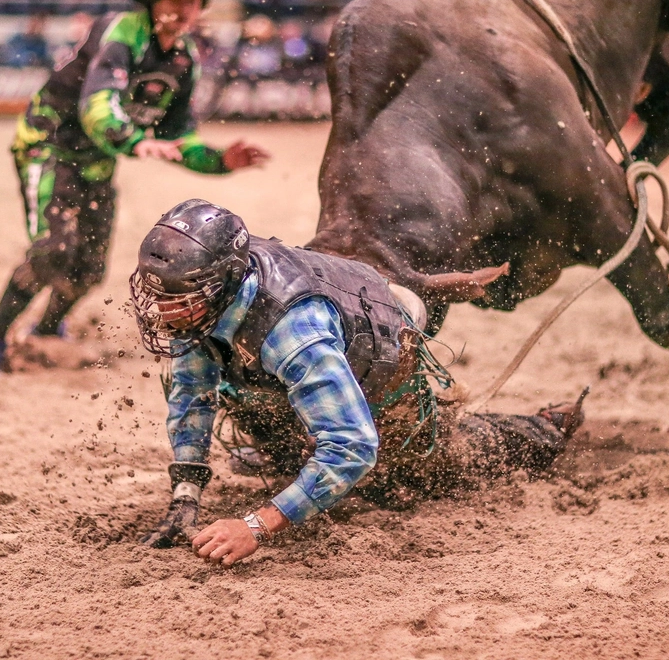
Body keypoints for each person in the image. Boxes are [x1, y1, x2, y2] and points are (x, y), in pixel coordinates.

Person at [131, 199, 588, 567]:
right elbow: (193, 396)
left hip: (383, 355)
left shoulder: (293, 332)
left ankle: (541, 429)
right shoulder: (200, 302)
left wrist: (255, 525)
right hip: (312, 348)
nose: (162, 312)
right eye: (158, 296)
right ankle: (294, 440)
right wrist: (185, 498)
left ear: (225, 283)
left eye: (178, 300)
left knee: (425, 469)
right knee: (271, 426)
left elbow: (352, 446)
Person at [0, 0, 269, 381]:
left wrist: (221, 161)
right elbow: (97, 107)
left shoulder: (185, 60)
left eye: (193, 0)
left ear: (201, 8)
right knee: (53, 251)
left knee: (89, 268)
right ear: (154, 0)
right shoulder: (122, 32)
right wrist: (132, 141)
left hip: (97, 158)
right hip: (48, 145)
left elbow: (178, 139)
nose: (183, 7)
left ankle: (47, 329)